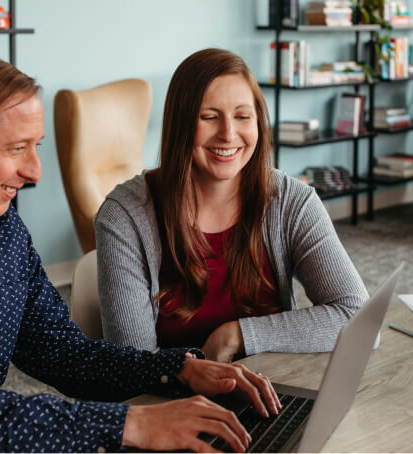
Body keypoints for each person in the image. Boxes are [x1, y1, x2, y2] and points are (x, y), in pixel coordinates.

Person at [0, 54, 281, 453]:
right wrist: (129, 424)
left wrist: (177, 369)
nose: (34, 170)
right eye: (16, 148)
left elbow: (62, 352)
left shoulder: (3, 232)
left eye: (36, 147)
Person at [95, 48, 368, 363]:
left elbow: (357, 318)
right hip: (170, 405)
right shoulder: (124, 216)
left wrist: (238, 335)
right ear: (180, 124)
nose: (228, 134)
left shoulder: (292, 201)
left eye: (242, 116)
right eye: (209, 117)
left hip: (270, 392)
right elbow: (132, 367)